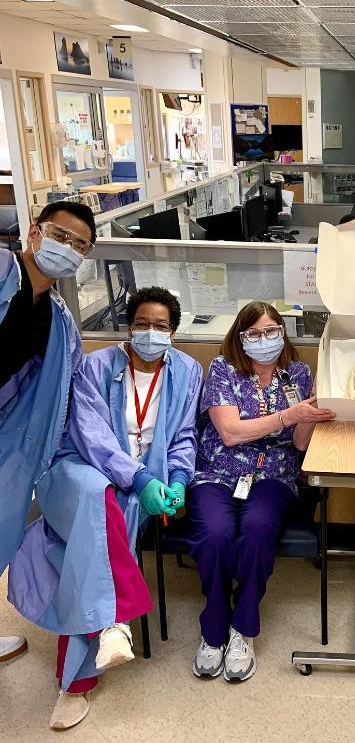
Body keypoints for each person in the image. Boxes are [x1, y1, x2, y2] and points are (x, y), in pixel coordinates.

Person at [9, 286, 202, 730]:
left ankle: (80, 673)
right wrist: (139, 478)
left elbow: (183, 437)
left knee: (88, 546)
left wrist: (175, 478)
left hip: (143, 480)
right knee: (99, 504)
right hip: (79, 470)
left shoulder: (188, 370)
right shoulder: (95, 366)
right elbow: (91, 437)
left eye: (161, 326)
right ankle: (112, 621)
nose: (151, 333)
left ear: (173, 331)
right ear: (127, 327)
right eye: (142, 324)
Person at [189, 301, 334, 684]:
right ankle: (214, 625)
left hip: (274, 475)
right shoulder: (223, 369)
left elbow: (299, 445)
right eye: (254, 333)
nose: (263, 339)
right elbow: (231, 432)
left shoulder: (298, 373)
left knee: (256, 530)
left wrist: (314, 410)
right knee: (217, 534)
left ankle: (243, 628)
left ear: (282, 334)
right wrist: (288, 416)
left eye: (271, 331)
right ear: (240, 337)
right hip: (219, 471)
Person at [0, 202, 95, 664]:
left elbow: (70, 389)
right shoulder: (1, 270)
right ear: (35, 232)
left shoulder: (59, 321)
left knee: (2, 526)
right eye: (62, 236)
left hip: (8, 437)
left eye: (80, 246)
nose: (69, 249)